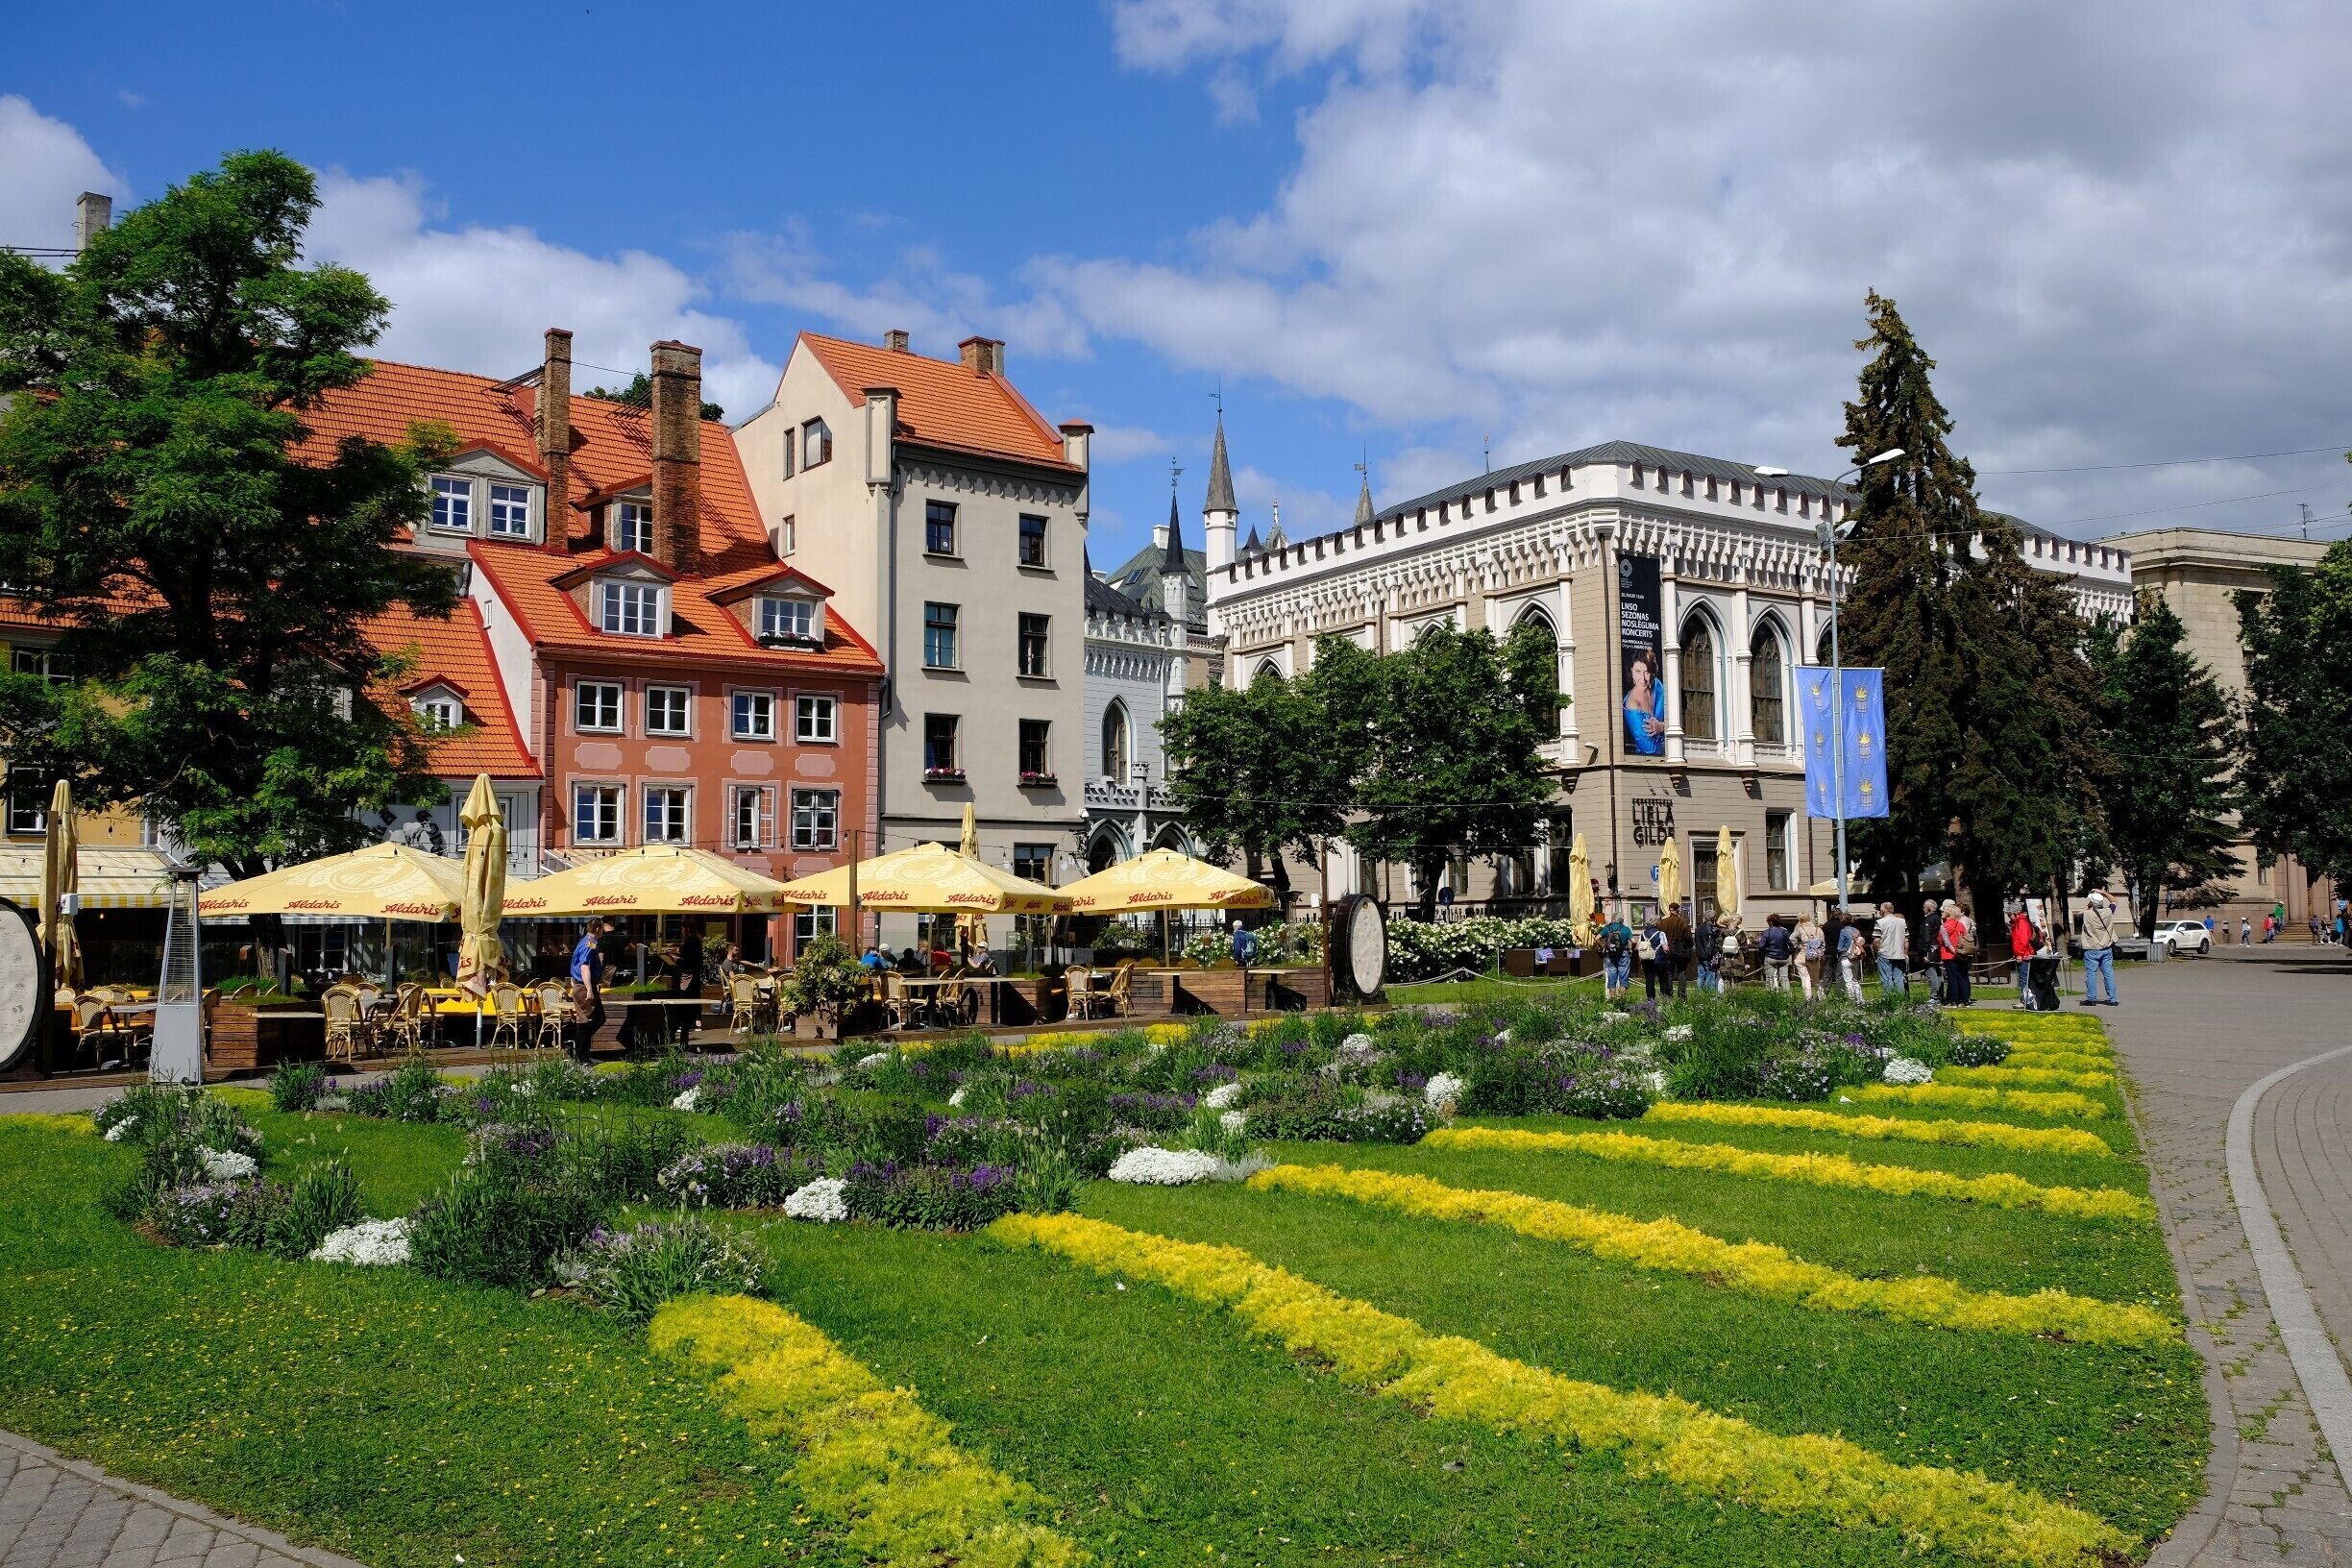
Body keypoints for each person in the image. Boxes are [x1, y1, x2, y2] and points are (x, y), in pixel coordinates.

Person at [568, 917, 615, 1061]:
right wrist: (589, 989)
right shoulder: (589, 943)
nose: (603, 931)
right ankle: (581, 1055)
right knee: (586, 1020)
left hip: (584, 984)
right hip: (584, 986)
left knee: (598, 1018)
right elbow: (584, 966)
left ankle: (579, 1050)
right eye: (602, 928)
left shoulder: (585, 941)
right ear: (597, 929)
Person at [2078, 890, 2119, 1007]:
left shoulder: (2086, 914)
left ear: (2092, 903)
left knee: (2091, 974)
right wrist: (2103, 892)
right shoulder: (2108, 912)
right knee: (2108, 974)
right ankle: (2113, 999)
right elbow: (2114, 901)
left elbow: (2079, 916)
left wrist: (2088, 905)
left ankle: (2091, 999)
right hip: (2106, 947)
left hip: (2091, 948)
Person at [1623, 650, 1666, 756]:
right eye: (1638, 671)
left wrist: (1663, 726)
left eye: (1646, 672)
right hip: (1647, 763)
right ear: (1631, 670)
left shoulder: (1657, 685)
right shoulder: (1632, 708)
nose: (1643, 679)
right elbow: (1650, 749)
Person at [669, 925, 705, 1044]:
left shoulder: (690, 942)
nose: (681, 931)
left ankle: (678, 1029)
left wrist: (672, 958)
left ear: (687, 929)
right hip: (694, 977)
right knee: (689, 1004)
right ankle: (685, 1029)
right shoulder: (697, 941)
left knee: (682, 1003)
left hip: (687, 977)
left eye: (683, 929)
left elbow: (684, 960)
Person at [1936, 899, 1972, 1006]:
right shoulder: (1961, 925)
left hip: (1950, 955)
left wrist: (1954, 951)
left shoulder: (1944, 926)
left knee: (1952, 978)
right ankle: (1964, 1000)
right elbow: (1965, 937)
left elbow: (1946, 942)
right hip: (1962, 953)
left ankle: (1953, 1000)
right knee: (1963, 977)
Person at [1654, 902, 1692, 1001]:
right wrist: (1689, 946)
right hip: (1681, 951)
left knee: (1669, 973)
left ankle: (1669, 994)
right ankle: (1682, 996)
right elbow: (1688, 937)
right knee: (1682, 972)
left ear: (1669, 910)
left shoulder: (1663, 922)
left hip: (1668, 951)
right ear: (1678, 910)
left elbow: (1659, 936)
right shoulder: (1683, 922)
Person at [1598, 908, 1636, 1000]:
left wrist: (1603, 947)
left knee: (1612, 976)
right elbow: (1634, 941)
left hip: (1610, 955)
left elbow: (1596, 938)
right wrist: (1632, 949)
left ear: (1612, 919)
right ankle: (1622, 1000)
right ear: (1622, 919)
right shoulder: (1626, 929)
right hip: (1624, 954)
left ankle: (1612, 999)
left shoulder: (1607, 929)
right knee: (1623, 977)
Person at [1873, 903, 1909, 997]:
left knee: (1886, 979)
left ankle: (1889, 1001)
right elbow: (1906, 939)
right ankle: (1900, 1001)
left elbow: (1876, 941)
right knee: (1899, 978)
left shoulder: (1880, 922)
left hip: (1884, 953)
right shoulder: (1902, 922)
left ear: (1883, 911)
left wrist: (1876, 952)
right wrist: (1905, 953)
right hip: (1899, 954)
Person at [1758, 914, 1794, 991]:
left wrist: (1762, 957)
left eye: (1767, 921)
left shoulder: (1766, 932)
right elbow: (1791, 945)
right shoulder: (1785, 932)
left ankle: (1771, 996)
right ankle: (1787, 997)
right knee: (1785, 979)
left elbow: (1761, 946)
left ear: (1771, 922)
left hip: (1770, 957)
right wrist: (1788, 953)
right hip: (1783, 958)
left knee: (1770, 979)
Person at [1835, 915, 1866, 1002]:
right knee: (1855, 980)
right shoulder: (1857, 931)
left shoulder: (1843, 931)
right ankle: (1860, 999)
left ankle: (1852, 1000)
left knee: (1848, 981)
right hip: (1856, 957)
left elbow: (1840, 947)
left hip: (1846, 957)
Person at [1692, 912, 1725, 994]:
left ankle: (1699, 994)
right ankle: (1710, 994)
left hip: (1700, 954)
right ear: (1712, 918)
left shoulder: (1698, 928)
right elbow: (1711, 943)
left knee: (1701, 975)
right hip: (1708, 955)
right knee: (1710, 975)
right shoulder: (1710, 929)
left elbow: (1696, 941)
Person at [1793, 913, 1823, 999]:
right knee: (1816, 979)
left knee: (1805, 979)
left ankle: (1808, 998)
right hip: (1815, 957)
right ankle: (1821, 997)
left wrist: (1798, 946)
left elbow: (1791, 938)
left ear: (1800, 920)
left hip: (1802, 956)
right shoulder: (1818, 930)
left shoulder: (1799, 929)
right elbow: (1823, 944)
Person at [2010, 908, 2036, 1006]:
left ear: (2015, 912)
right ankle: (2024, 999)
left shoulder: (2022, 923)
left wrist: (2020, 954)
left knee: (2024, 979)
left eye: (2010, 914)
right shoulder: (2017, 923)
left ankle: (2026, 1001)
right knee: (2022, 978)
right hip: (2021, 954)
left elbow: (2023, 940)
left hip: (2024, 955)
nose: (2010, 917)